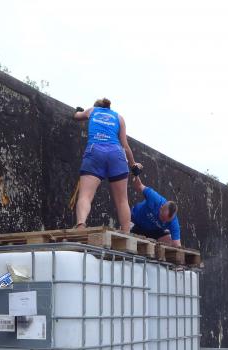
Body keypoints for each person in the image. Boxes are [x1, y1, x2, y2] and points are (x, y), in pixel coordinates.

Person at [73, 98, 141, 230]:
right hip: (116, 154)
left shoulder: (92, 110)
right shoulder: (119, 118)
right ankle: (126, 233)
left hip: (95, 151)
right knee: (122, 200)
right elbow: (125, 145)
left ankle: (81, 224)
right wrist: (133, 164)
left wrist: (78, 111)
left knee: (85, 195)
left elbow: (77, 116)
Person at [130, 176, 181, 247]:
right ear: (161, 208)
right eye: (163, 218)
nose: (163, 222)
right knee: (126, 225)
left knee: (170, 241)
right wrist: (135, 175)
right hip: (136, 222)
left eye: (166, 221)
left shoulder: (174, 222)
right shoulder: (154, 198)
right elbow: (139, 185)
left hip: (152, 232)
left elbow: (177, 244)